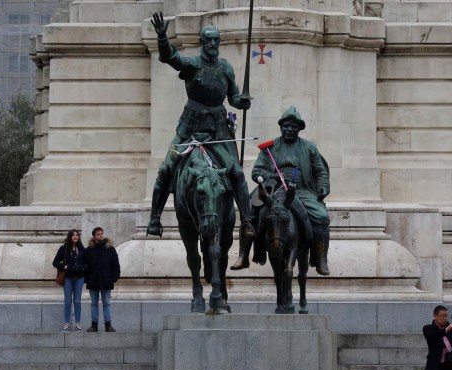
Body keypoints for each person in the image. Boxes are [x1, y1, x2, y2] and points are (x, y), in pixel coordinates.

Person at [146, 12, 254, 240]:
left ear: (219, 42)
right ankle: (154, 218)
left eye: (216, 40)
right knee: (166, 168)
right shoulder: (192, 64)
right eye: (208, 40)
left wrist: (241, 102)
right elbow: (170, 58)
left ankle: (246, 221)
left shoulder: (226, 68)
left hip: (219, 130)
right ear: (202, 42)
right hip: (190, 129)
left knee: (236, 172)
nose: (213, 44)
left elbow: (232, 97)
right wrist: (163, 38)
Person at [231, 106, 331, 275]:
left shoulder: (309, 148)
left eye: (293, 126)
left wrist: (323, 187)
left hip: (302, 190)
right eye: (286, 126)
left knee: (321, 216)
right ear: (281, 127)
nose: (289, 129)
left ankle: (321, 259)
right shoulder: (269, 148)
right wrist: (273, 176)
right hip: (273, 190)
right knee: (250, 212)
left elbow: (320, 172)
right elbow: (256, 172)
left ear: (299, 129)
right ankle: (244, 255)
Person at [83, 227, 120, 332]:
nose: (101, 235)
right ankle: (94, 325)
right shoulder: (89, 250)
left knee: (107, 303)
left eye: (102, 233)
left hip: (106, 281)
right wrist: (87, 279)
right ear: (94, 236)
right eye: (98, 234)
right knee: (94, 303)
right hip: (93, 281)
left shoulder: (110, 249)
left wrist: (113, 278)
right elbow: (85, 266)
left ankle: (108, 325)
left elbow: (116, 266)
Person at [52, 229, 86, 332]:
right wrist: (65, 266)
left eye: (77, 235)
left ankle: (78, 324)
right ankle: (66, 324)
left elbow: (87, 263)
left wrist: (82, 268)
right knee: (67, 301)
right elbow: (55, 262)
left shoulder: (81, 249)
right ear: (70, 237)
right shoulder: (64, 249)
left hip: (79, 277)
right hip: (67, 278)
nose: (76, 236)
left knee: (77, 301)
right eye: (73, 235)